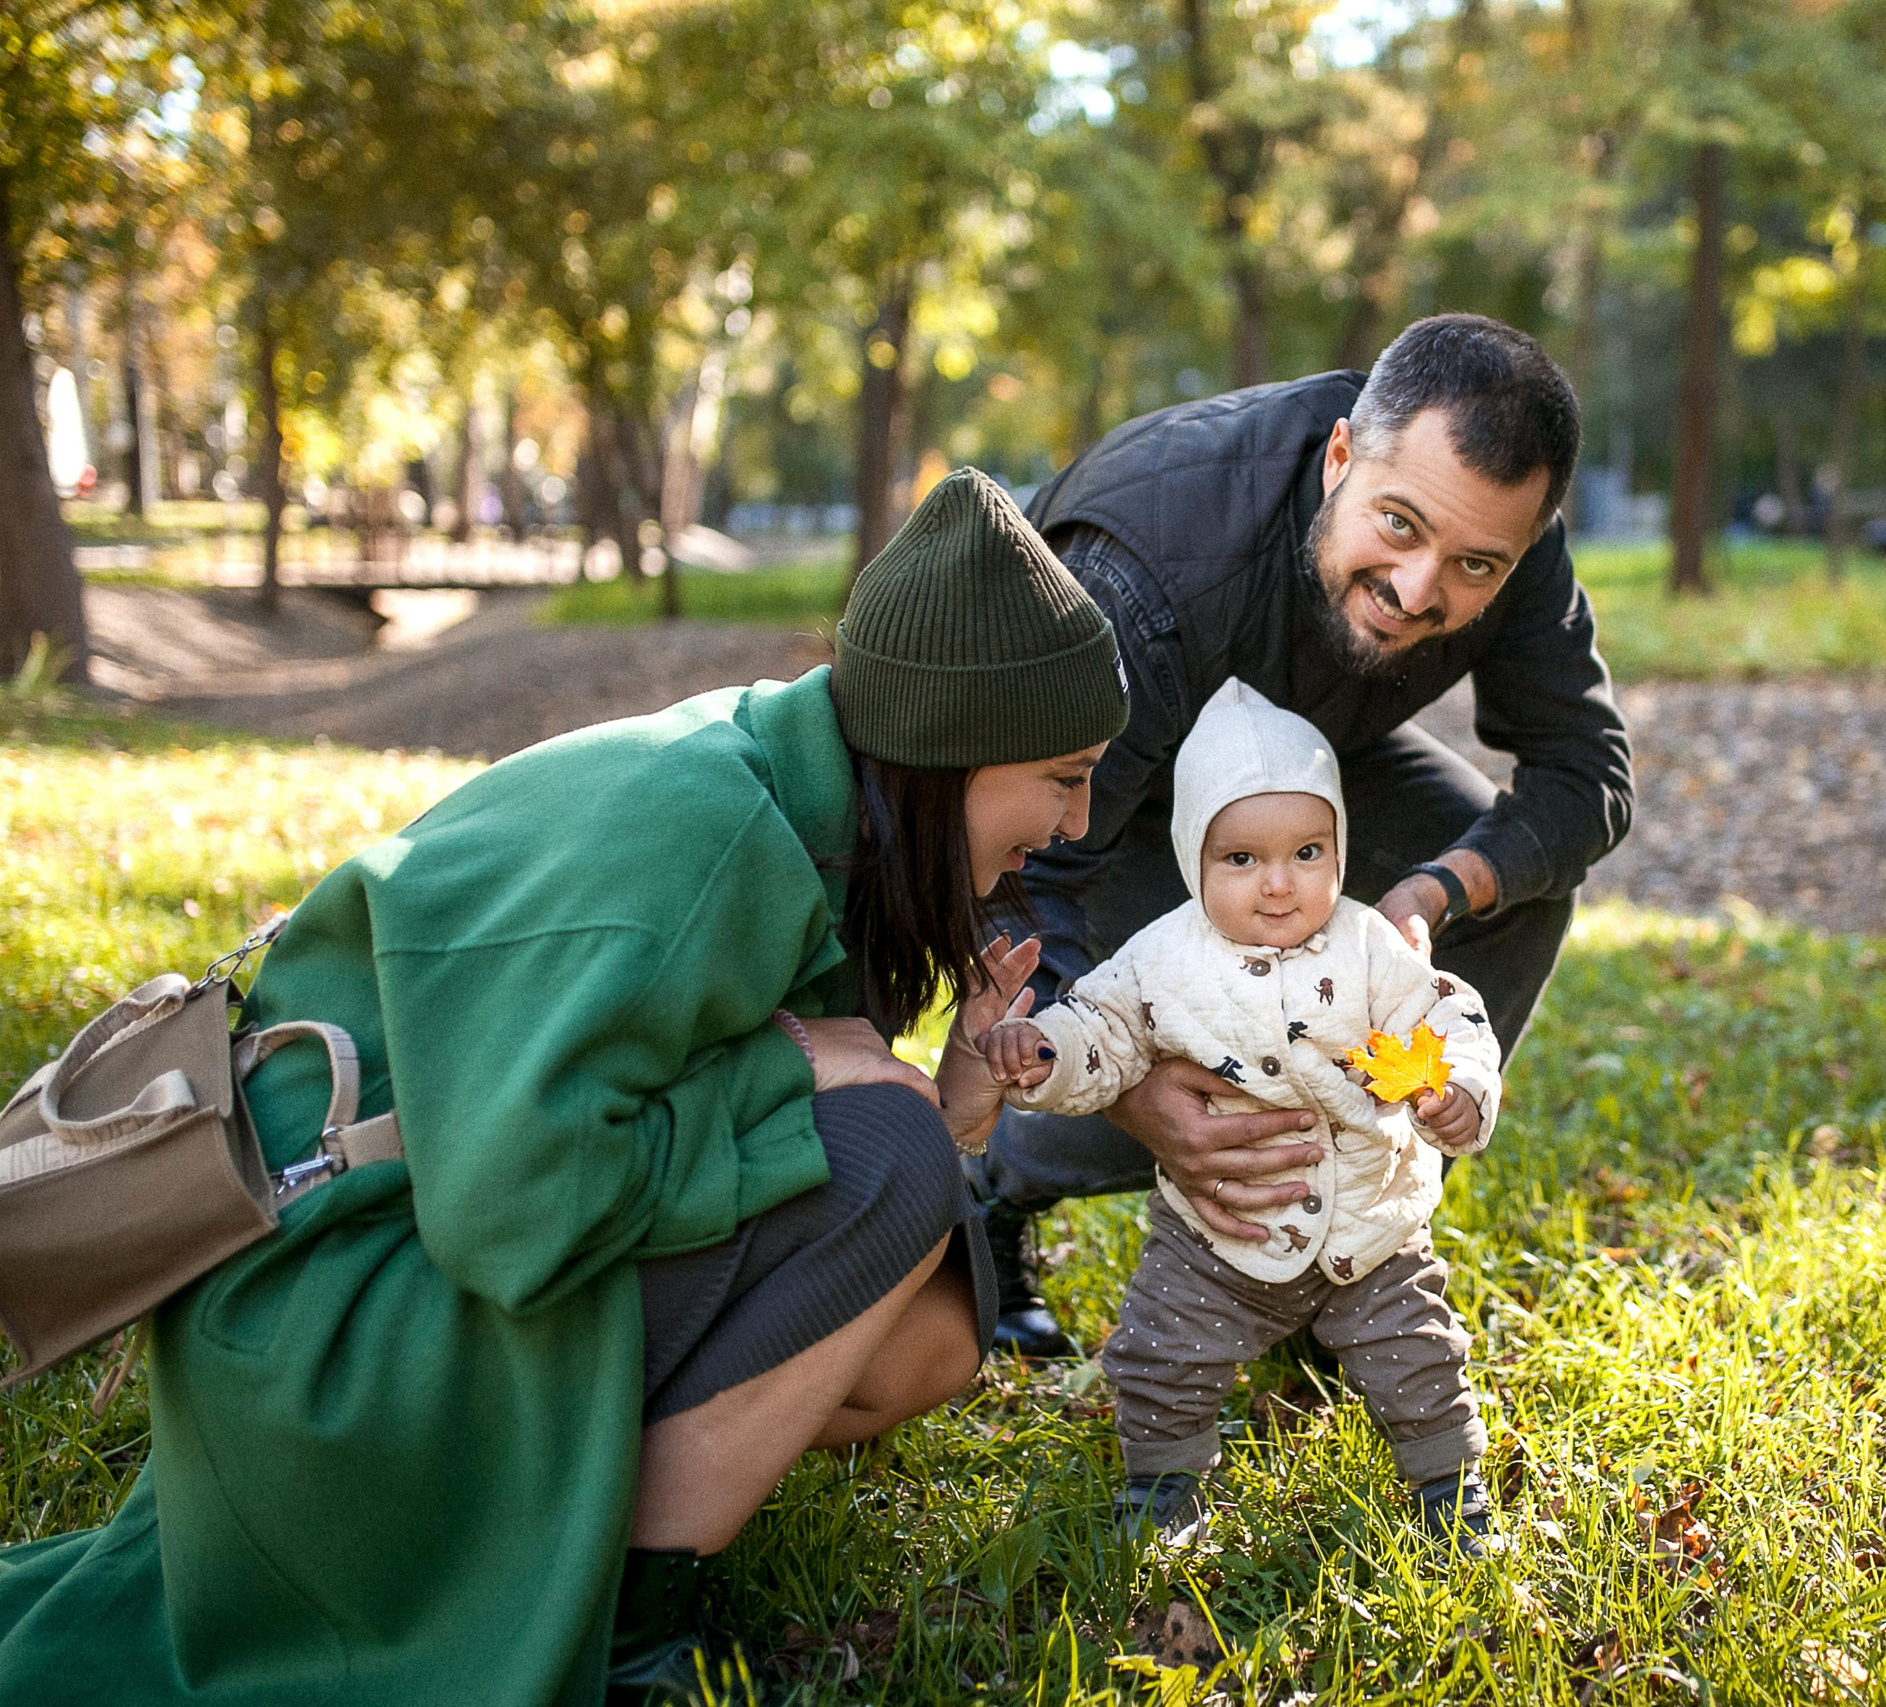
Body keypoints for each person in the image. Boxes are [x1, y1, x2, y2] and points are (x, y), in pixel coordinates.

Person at [0, 469, 1130, 1706]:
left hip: (398, 1259)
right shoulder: (706, 829)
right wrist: (813, 1072)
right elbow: (514, 1211)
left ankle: (587, 1528)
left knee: (927, 1338)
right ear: (947, 753)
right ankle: (629, 1634)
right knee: (890, 1151)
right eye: (1062, 776)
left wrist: (949, 1108)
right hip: (328, 1326)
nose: (1074, 823)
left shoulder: (801, 798)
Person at [975, 312, 1635, 1356]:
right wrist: (1140, 1097)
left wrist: (1433, 893)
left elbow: (1587, 775)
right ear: (1340, 457)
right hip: (1102, 790)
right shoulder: (1144, 575)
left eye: (1475, 566)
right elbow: (1015, 879)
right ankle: (993, 1184)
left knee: (1518, 882)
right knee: (1215, 1032)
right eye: (1400, 527)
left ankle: (1354, 1241)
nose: (1420, 593)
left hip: (1306, 762)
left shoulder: (1505, 533)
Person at [972, 681, 1504, 1548]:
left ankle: (1451, 1488)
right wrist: (1046, 1052)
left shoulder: (1369, 944)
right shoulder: (1162, 957)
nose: (1281, 885)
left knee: (1419, 1355)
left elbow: (1448, 1012)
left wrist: (1461, 1092)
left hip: (1368, 1228)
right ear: (1194, 859)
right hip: (1215, 1235)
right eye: (1242, 860)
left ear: (1339, 846)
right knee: (1159, 1353)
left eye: (1306, 851)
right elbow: (1101, 1024)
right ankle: (1165, 1484)